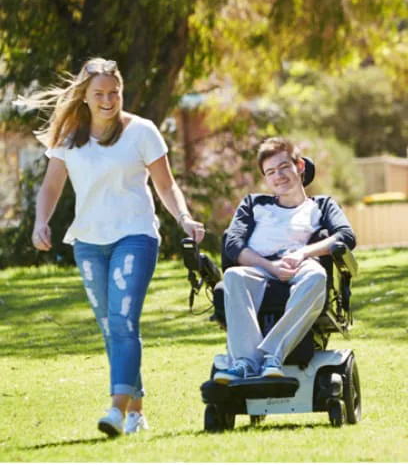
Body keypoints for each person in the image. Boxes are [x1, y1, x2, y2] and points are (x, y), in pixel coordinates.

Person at [25, 57, 205, 436]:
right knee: (111, 328)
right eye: (100, 94)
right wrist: (41, 221)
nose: (108, 100)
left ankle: (116, 410)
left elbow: (166, 185)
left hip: (135, 236)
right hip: (88, 242)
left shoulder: (142, 132)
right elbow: (52, 185)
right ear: (85, 97)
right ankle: (137, 411)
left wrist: (184, 218)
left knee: (124, 321)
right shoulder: (68, 135)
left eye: (114, 92)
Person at [213, 137, 356, 384]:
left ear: (299, 166)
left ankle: (271, 355)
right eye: (270, 172)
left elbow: (346, 236)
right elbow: (233, 244)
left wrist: (302, 253)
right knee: (233, 275)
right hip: (260, 267)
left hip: (300, 264)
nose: (278, 176)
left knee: (317, 275)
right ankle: (245, 363)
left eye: (283, 168)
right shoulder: (253, 204)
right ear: (265, 178)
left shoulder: (321, 205)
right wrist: (270, 266)